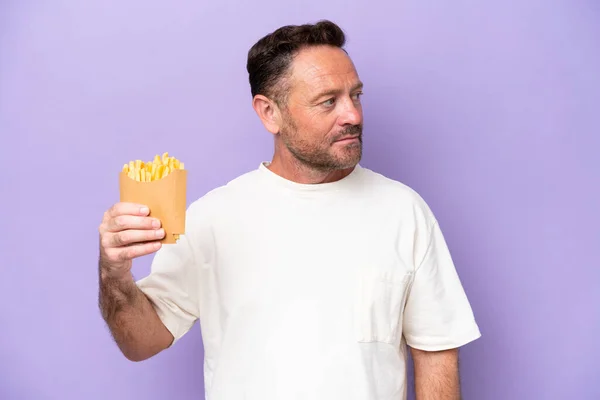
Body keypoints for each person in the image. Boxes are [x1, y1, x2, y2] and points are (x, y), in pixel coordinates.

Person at [98, 20, 481, 400]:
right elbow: (141, 343)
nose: (353, 116)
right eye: (328, 101)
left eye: (356, 96)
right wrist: (114, 273)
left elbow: (437, 353)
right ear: (269, 113)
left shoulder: (404, 212)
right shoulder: (212, 218)